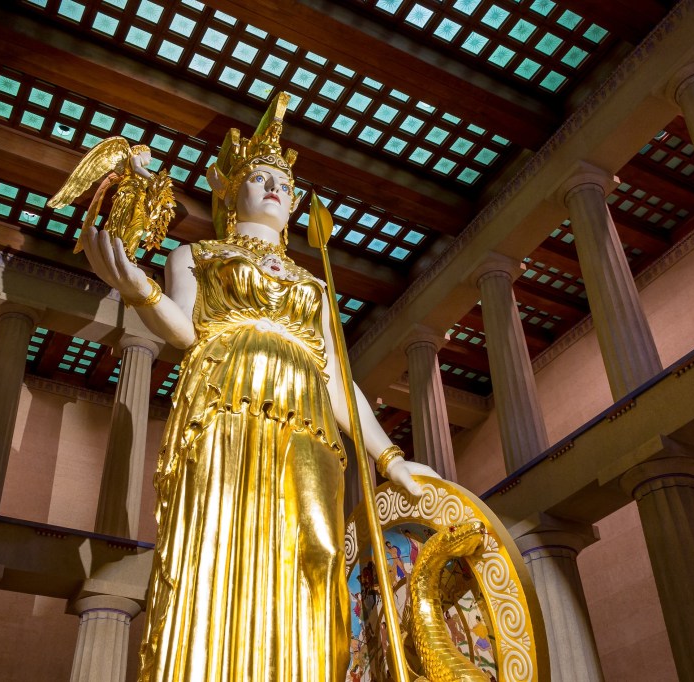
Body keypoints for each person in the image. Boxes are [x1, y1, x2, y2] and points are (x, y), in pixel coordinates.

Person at [75, 93, 435, 681]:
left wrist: (390, 459)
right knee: (219, 547)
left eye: (283, 184)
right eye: (260, 177)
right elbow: (187, 329)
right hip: (225, 407)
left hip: (308, 418)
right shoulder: (198, 254)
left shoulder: (312, 284)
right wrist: (138, 290)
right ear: (229, 190)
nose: (274, 187)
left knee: (316, 551)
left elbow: (337, 379)